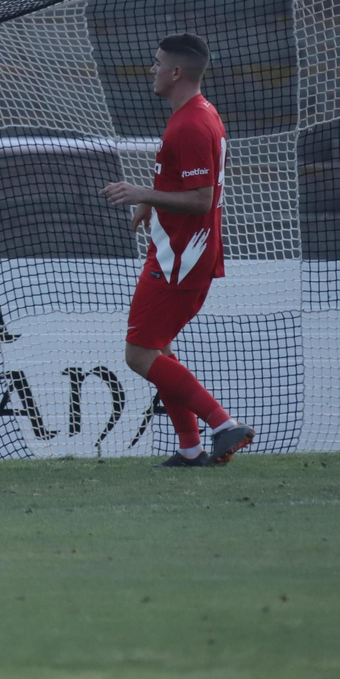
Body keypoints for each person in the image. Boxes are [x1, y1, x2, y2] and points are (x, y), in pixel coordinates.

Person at [101, 32, 254, 467]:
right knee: (159, 349)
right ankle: (190, 449)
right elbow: (183, 183)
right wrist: (151, 201)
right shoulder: (195, 115)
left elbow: (202, 198)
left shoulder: (191, 123)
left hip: (181, 261)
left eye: (156, 62)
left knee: (139, 354)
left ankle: (223, 425)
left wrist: (139, 192)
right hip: (180, 254)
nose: (152, 69)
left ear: (176, 72)